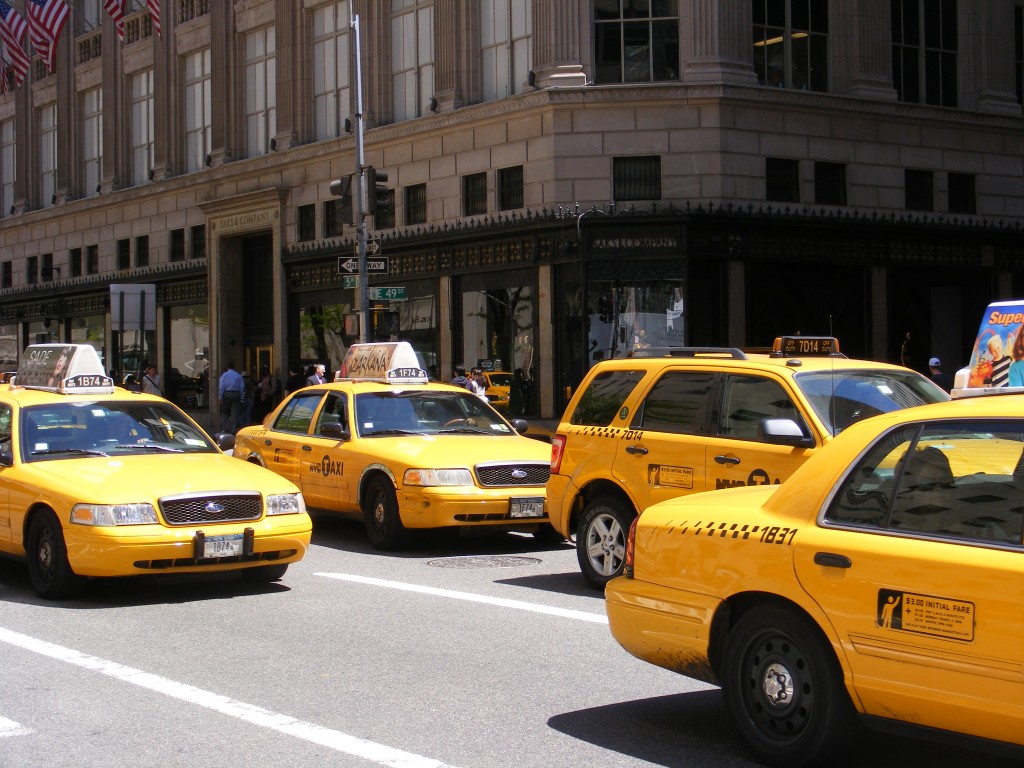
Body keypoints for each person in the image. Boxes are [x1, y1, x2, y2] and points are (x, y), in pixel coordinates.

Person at [218, 362, 244, 433]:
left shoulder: (225, 375)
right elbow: (242, 387)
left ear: (227, 367)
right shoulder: (238, 375)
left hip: (227, 393)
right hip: (236, 393)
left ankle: (224, 428)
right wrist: (240, 395)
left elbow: (221, 387)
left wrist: (220, 397)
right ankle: (232, 430)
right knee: (234, 413)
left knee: (224, 412)